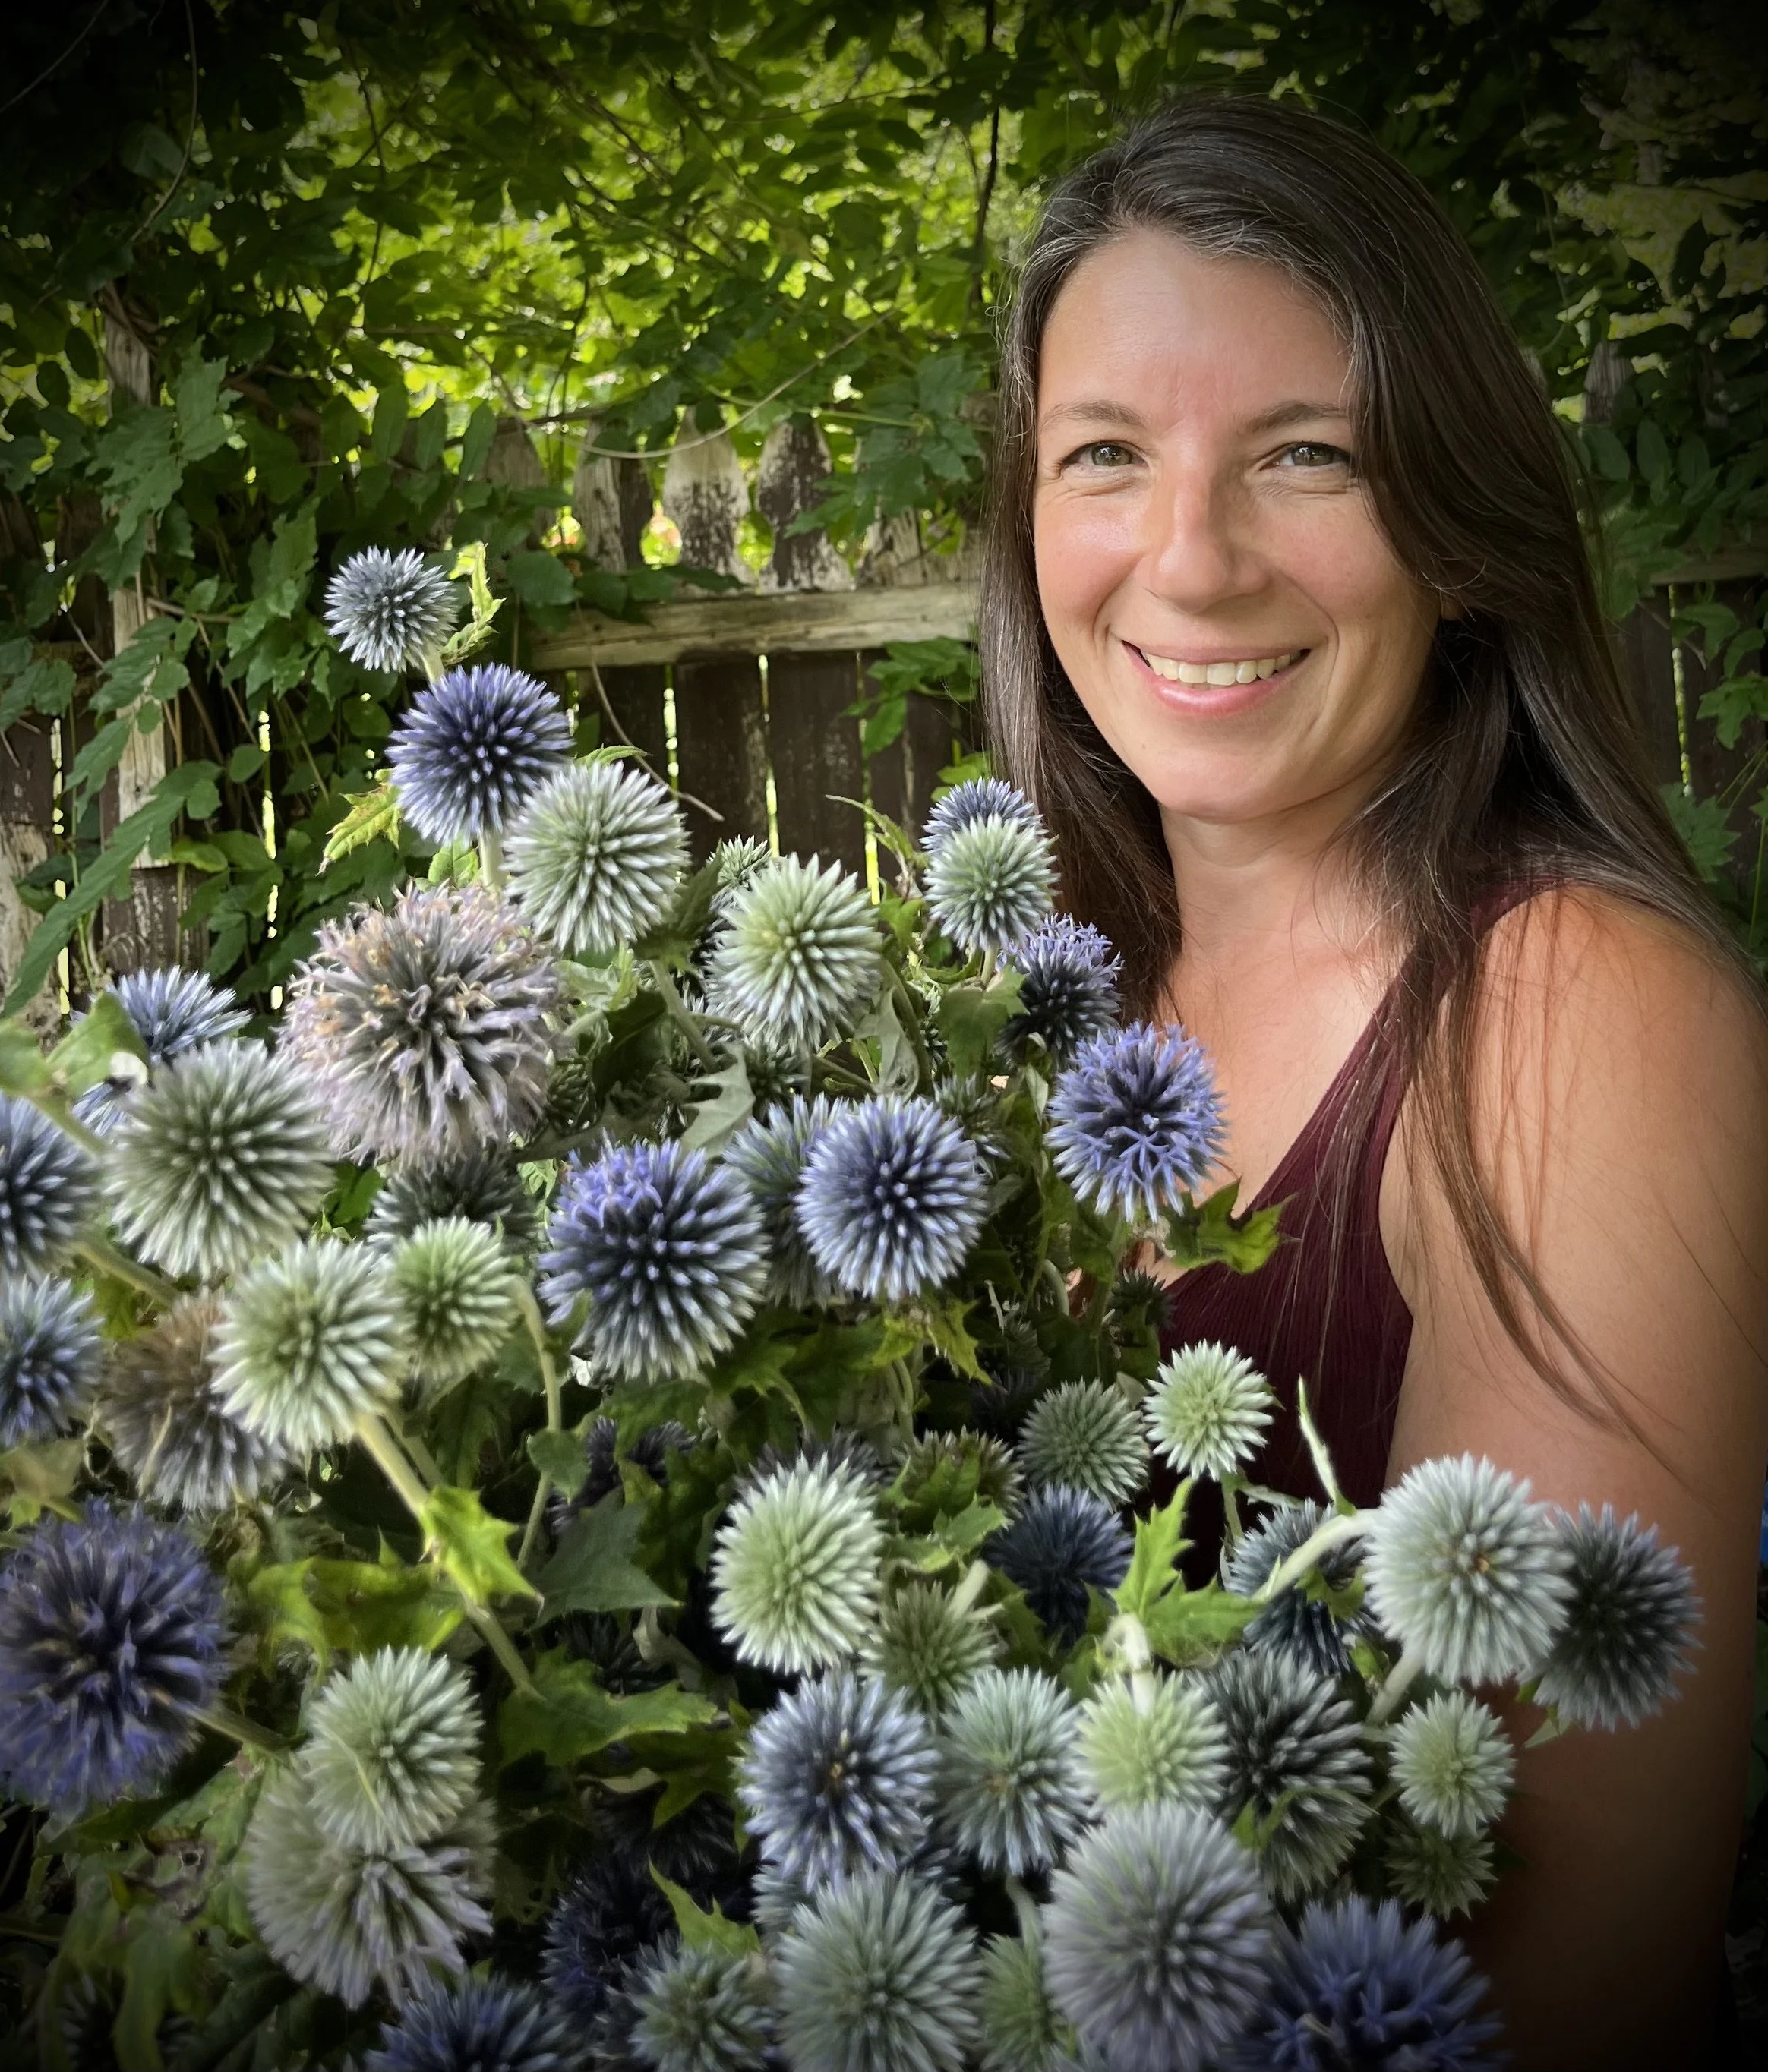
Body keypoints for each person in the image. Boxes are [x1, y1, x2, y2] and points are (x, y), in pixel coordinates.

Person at [980, 95, 1768, 2068]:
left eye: (1302, 455)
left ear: (1454, 524)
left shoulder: (1568, 1013)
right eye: (1104, 457)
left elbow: (1550, 1960)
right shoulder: (1020, 1002)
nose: (1190, 558)